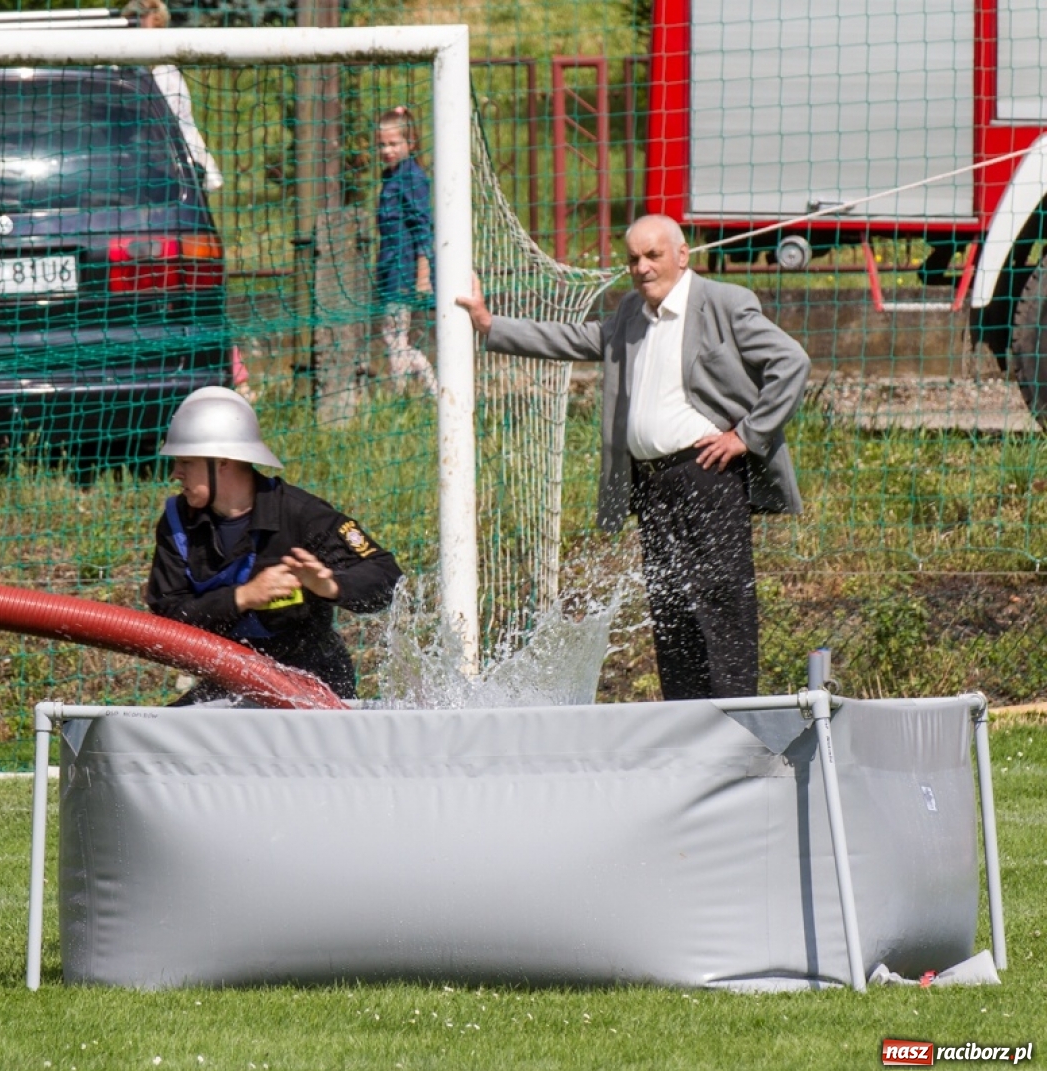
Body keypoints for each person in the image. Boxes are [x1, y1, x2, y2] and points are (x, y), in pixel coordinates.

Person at [455, 214, 810, 700]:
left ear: (681, 255)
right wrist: (489, 324)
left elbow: (791, 362)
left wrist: (747, 435)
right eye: (633, 259)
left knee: (721, 606)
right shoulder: (630, 313)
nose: (642, 267)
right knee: (670, 612)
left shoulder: (724, 303)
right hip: (652, 485)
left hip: (708, 475)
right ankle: (682, 718)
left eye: (653, 256)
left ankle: (735, 720)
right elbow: (576, 339)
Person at [146, 387, 403, 703]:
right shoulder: (177, 522)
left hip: (314, 681)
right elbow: (168, 619)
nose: (175, 474)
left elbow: (387, 577)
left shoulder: (301, 515)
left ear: (222, 461)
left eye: (186, 462)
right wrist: (243, 597)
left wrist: (329, 586)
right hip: (233, 676)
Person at [125, 0, 225, 192]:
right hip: (141, 162)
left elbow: (175, 123)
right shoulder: (123, 68)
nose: (135, 24)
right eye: (132, 18)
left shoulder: (165, 73)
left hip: (171, 163)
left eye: (141, 17)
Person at [375, 106, 437, 396]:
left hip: (405, 270)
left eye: (393, 143)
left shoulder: (412, 177)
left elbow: (423, 228)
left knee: (395, 335)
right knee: (393, 335)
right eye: (382, 145)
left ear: (410, 143)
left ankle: (402, 393)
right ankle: (428, 389)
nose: (387, 150)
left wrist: (422, 276)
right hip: (390, 268)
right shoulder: (390, 176)